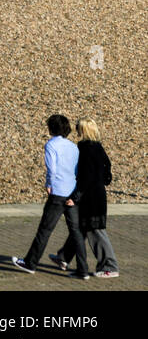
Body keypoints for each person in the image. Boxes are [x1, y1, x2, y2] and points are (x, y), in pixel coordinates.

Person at [12, 114, 91, 277]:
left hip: (58, 192)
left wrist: (48, 184)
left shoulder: (51, 145)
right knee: (76, 232)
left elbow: (52, 169)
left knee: (45, 230)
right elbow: (76, 171)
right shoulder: (73, 147)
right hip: (71, 192)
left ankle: (30, 263)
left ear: (51, 128)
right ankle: (83, 270)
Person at [55, 118, 119, 277]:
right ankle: (64, 257)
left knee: (95, 230)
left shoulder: (85, 149)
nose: (75, 130)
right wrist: (103, 180)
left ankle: (109, 266)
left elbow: (85, 177)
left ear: (82, 130)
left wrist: (76, 197)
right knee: (82, 227)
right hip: (98, 193)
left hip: (90, 196)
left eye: (78, 127)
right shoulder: (97, 147)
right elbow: (107, 167)